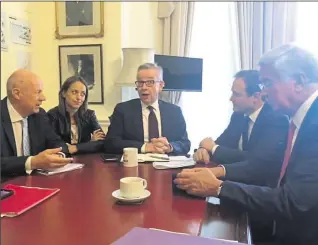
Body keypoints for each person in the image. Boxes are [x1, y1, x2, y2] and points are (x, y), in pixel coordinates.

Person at [174, 44, 318, 245]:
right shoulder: (299, 119)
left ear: (299, 81)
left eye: (268, 83)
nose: (264, 93)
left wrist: (218, 187)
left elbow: (294, 202)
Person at [194, 70, 288, 165]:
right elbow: (221, 143)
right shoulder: (238, 116)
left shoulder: (276, 120)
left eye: (236, 94)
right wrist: (204, 150)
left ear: (255, 97)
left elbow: (255, 159)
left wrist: (214, 148)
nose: (231, 99)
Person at [105, 63, 191, 155]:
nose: (144, 87)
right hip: (136, 164)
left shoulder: (174, 111)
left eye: (150, 82)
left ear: (161, 85)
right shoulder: (123, 110)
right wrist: (145, 147)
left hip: (167, 163)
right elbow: (111, 143)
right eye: (140, 83)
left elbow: (185, 144)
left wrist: (169, 147)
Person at [1, 69, 73, 178]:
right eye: (38, 92)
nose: (43, 98)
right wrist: (32, 162)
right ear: (17, 94)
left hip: (34, 183)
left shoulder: (39, 115)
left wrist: (58, 156)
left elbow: (58, 143)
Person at [47, 76, 105, 154]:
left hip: (86, 160)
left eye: (83, 94)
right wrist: (89, 144)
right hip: (61, 160)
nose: (79, 97)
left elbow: (101, 142)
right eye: (74, 92)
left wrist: (76, 148)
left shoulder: (89, 115)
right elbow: (55, 146)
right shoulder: (52, 115)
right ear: (64, 93)